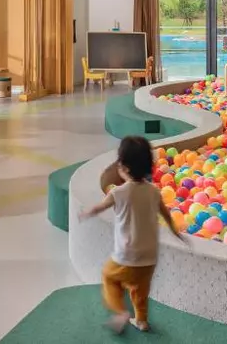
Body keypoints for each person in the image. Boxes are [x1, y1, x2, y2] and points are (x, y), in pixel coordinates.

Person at [79, 136, 184, 334]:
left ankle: (121, 312)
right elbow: (166, 215)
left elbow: (99, 207)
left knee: (109, 277)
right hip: (149, 257)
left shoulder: (118, 192)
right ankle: (141, 320)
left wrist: (86, 213)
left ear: (124, 168)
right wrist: (176, 233)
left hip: (126, 256)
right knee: (140, 291)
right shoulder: (154, 192)